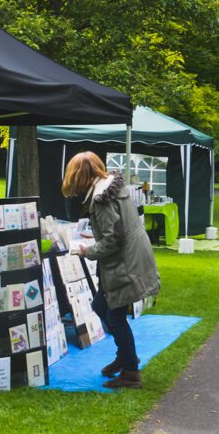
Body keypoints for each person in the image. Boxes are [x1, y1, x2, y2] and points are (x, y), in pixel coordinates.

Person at [62, 151, 161, 389]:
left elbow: (112, 240)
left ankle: (130, 373)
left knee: (115, 316)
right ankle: (126, 357)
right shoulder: (112, 187)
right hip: (131, 257)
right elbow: (118, 228)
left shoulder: (101, 198)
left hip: (124, 264)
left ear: (79, 176)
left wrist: (87, 251)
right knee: (100, 306)